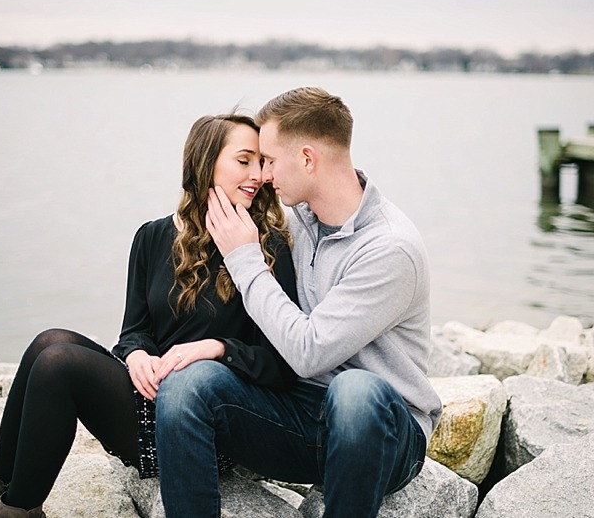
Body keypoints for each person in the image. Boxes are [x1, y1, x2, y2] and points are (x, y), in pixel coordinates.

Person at [0, 113, 298, 517]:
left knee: (59, 364)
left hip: (201, 421)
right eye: (244, 160)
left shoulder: (266, 247)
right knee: (49, 341)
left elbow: (283, 365)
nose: (258, 175)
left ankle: (16, 510)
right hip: (149, 395)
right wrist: (136, 356)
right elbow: (133, 331)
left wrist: (216, 350)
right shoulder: (153, 236)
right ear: (204, 162)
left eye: (262, 163)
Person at [153, 87, 443, 517]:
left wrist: (245, 259)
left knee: (354, 390)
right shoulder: (297, 223)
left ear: (307, 159)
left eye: (268, 161)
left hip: (383, 434)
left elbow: (309, 352)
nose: (264, 175)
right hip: (302, 419)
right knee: (186, 386)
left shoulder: (388, 248)